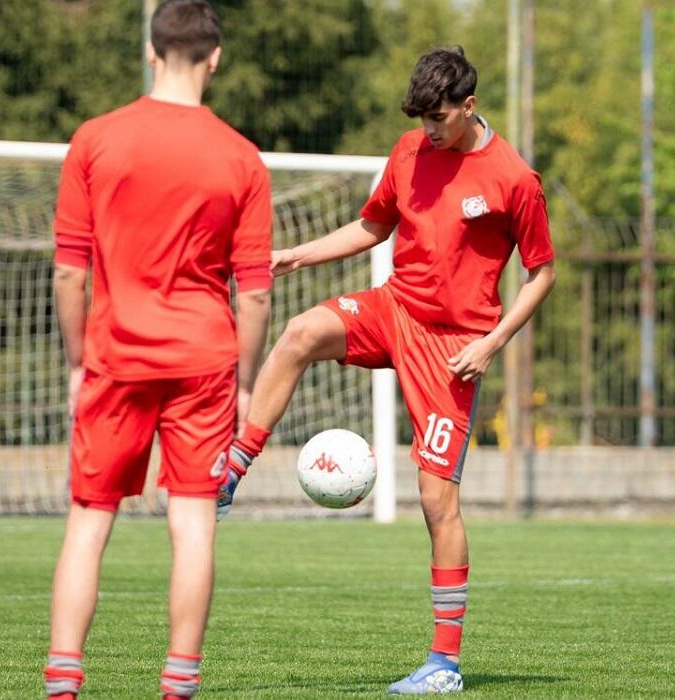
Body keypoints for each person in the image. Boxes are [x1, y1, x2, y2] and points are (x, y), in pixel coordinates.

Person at [217, 46, 556, 694]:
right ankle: (232, 472)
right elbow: (372, 226)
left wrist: (492, 342)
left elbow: (543, 273)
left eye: (439, 118)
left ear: (469, 106)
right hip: (394, 308)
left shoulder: (514, 178)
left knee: (436, 501)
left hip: (453, 347)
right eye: (422, 118)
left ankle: (445, 666)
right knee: (298, 334)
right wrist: (296, 257)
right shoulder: (407, 152)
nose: (429, 129)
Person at [44, 2, 272, 698]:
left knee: (89, 520)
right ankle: (178, 685)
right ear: (215, 58)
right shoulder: (242, 157)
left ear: (151, 52)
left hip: (115, 357)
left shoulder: (95, 140)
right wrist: (243, 381)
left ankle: (63, 681)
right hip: (204, 361)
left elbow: (68, 271)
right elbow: (256, 294)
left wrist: (79, 361)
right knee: (194, 523)